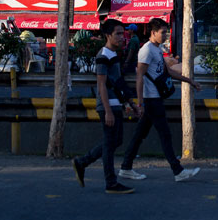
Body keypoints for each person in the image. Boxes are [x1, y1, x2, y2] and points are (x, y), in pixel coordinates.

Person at [119, 18, 202, 183]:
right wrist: (140, 103)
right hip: (151, 100)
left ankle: (126, 167)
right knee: (165, 134)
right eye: (163, 32)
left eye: (166, 32)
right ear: (153, 32)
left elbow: (168, 72)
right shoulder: (146, 50)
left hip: (155, 99)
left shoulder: (157, 50)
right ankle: (177, 170)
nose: (165, 35)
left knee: (139, 135)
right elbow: (139, 77)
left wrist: (190, 81)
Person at [72, 19, 140, 194]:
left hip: (116, 104)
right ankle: (111, 182)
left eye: (122, 33)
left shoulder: (113, 55)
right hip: (107, 106)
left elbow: (117, 83)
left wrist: (130, 103)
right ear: (108, 35)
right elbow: (101, 84)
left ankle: (82, 162)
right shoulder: (103, 56)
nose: (121, 37)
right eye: (117, 34)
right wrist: (108, 110)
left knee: (115, 141)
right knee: (110, 144)